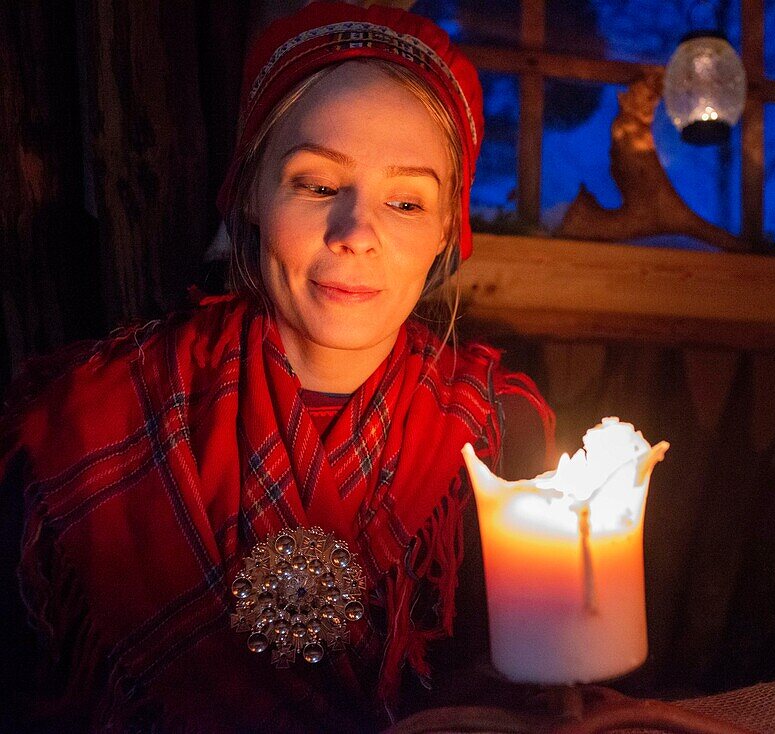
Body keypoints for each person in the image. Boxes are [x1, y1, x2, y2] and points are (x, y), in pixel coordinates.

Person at [0, 2, 553, 730]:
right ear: (252, 192)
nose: (357, 233)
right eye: (318, 185)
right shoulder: (87, 424)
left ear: (450, 226)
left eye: (407, 201)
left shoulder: (494, 433)